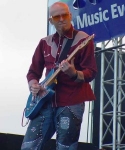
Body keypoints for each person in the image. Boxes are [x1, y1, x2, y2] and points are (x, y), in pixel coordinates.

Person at [21, 1, 97, 150]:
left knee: (65, 147)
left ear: (70, 15)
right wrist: (34, 85)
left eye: (65, 15)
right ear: (51, 21)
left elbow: (91, 72)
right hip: (44, 101)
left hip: (71, 100)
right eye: (57, 17)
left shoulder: (83, 39)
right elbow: (33, 72)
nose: (62, 19)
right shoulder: (44, 42)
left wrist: (73, 73)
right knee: (29, 146)